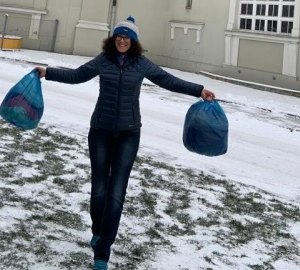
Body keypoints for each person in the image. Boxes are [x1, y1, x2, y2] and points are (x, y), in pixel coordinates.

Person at [35, 15, 215, 270]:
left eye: (127, 37)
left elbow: (168, 80)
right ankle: (99, 230)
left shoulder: (141, 64)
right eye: (119, 36)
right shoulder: (103, 60)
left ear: (133, 41)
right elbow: (77, 75)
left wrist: (199, 90)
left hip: (129, 134)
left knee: (116, 193)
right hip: (100, 131)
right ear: (113, 38)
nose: (122, 40)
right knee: (99, 190)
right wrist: (48, 72)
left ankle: (103, 250)